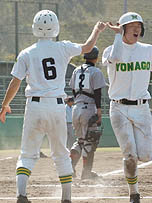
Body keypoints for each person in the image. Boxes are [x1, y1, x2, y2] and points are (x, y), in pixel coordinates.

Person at [0, 10, 106, 203]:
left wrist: (5, 105)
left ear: (34, 27)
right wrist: (97, 29)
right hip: (57, 106)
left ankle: (21, 195)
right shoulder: (62, 48)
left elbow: (15, 82)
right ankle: (66, 199)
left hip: (34, 106)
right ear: (55, 28)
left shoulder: (27, 53)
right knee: (61, 155)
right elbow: (88, 46)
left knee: (27, 154)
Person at [102, 12, 152, 203]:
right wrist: (116, 35)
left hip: (142, 109)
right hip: (119, 108)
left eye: (138, 26)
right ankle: (134, 193)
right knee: (129, 155)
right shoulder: (110, 50)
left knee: (145, 156)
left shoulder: (147, 50)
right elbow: (116, 57)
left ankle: (134, 182)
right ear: (122, 29)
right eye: (131, 26)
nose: (136, 29)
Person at [69, 46, 106, 180]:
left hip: (76, 108)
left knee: (80, 141)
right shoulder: (96, 71)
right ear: (95, 57)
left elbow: (74, 91)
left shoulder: (76, 70)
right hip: (88, 108)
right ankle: (86, 173)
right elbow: (97, 93)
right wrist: (99, 111)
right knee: (90, 141)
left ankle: (69, 169)